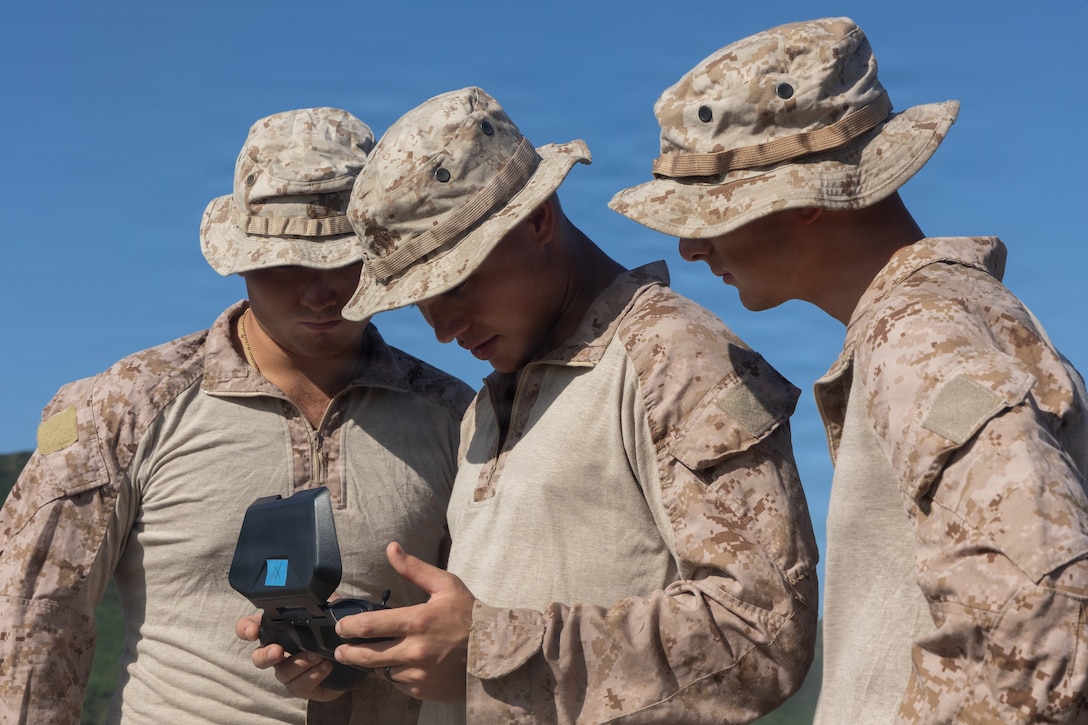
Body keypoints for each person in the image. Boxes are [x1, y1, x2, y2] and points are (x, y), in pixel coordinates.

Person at [255, 86, 820, 724]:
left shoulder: (673, 358)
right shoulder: (484, 405)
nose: (441, 326)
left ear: (539, 220)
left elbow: (764, 633)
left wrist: (493, 649)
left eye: (454, 281)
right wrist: (358, 651)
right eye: (418, 299)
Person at [609, 16, 1088, 723]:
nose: (688, 248)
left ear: (805, 197)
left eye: (710, 211)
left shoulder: (919, 330)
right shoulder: (941, 315)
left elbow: (1039, 614)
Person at [0, 107, 474, 724]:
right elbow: (31, 619)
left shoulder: (455, 417)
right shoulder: (124, 404)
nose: (320, 290)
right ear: (244, 258)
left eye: (343, 260)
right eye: (287, 264)